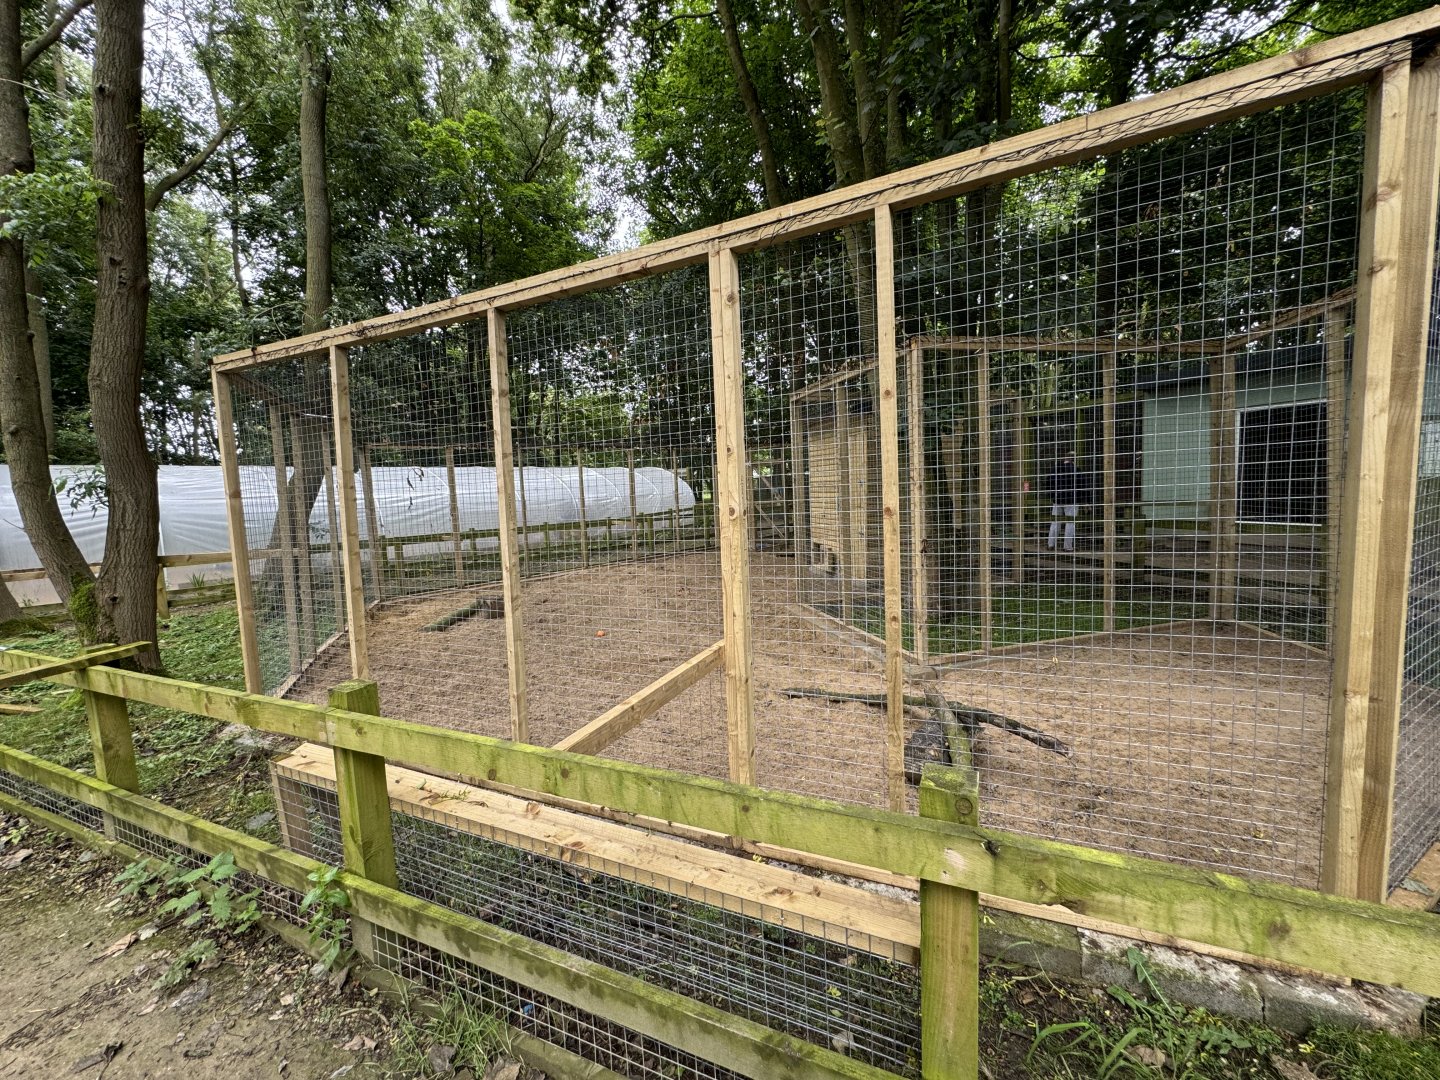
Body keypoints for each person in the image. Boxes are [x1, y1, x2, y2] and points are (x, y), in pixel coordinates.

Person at [1047, 453, 1079, 552]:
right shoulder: (1076, 470)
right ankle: (1067, 547)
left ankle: (1051, 545)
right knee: (1070, 523)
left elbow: (1048, 484)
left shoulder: (1055, 469)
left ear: (1064, 458)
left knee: (1055, 522)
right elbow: (1081, 486)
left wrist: (1052, 497)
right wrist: (1086, 501)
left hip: (1057, 499)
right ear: (1073, 460)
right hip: (1071, 500)